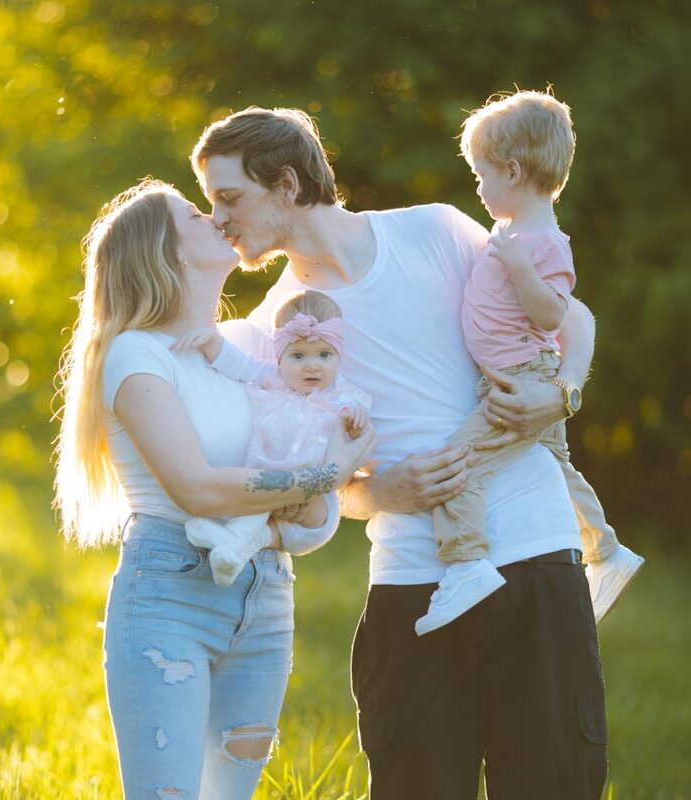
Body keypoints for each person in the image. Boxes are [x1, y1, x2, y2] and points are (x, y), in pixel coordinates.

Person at [192, 106, 608, 798]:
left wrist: (562, 392)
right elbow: (319, 487)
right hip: (414, 586)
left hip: (535, 557)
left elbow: (571, 316)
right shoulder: (279, 328)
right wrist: (379, 494)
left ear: (287, 186)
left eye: (230, 197)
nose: (219, 219)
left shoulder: (435, 232)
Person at [53, 178, 375, 799]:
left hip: (267, 595)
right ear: (168, 253)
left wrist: (311, 502)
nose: (218, 218)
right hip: (171, 593)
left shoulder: (243, 358)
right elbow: (198, 489)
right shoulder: (136, 354)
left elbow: (311, 506)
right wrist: (324, 476)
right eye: (196, 215)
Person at [415, 90, 644, 635]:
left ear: (513, 171)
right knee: (558, 469)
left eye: (481, 175)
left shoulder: (543, 244)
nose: (479, 186)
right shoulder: (514, 233)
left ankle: (466, 562)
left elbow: (550, 317)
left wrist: (520, 269)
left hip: (522, 381)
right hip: (522, 374)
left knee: (457, 465)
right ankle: (607, 549)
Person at [170, 289, 371, 587]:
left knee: (294, 511)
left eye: (324, 355)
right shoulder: (272, 378)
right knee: (256, 504)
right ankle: (232, 549)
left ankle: (228, 540)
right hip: (267, 488)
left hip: (313, 501)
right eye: (298, 355)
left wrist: (355, 423)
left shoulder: (343, 398)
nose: (312, 365)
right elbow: (238, 364)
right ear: (280, 357)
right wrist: (213, 343)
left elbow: (356, 441)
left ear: (339, 356)